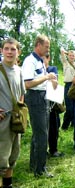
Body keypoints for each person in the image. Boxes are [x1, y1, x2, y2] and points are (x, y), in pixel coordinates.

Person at [22, 35, 56, 178]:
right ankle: (40, 170)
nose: (48, 49)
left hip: (43, 96)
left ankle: (34, 164)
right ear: (38, 45)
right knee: (42, 134)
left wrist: (51, 79)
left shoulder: (40, 61)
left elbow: (40, 79)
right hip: (35, 98)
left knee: (39, 132)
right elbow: (27, 83)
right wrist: (46, 77)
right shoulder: (29, 61)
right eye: (46, 46)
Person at [0, 38, 25, 188]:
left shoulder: (19, 71)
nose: (9, 52)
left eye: (13, 49)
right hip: (2, 122)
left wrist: (19, 112)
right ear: (1, 51)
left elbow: (22, 93)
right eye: (6, 48)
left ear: (18, 52)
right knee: (0, 159)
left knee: (12, 157)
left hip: (15, 121)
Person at [42, 54, 64, 158]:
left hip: (51, 103)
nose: (42, 61)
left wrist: (47, 79)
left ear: (48, 58)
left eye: (44, 58)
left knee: (54, 127)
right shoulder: (37, 70)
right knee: (42, 128)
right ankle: (43, 150)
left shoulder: (52, 69)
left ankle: (53, 149)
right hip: (40, 102)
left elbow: (54, 82)